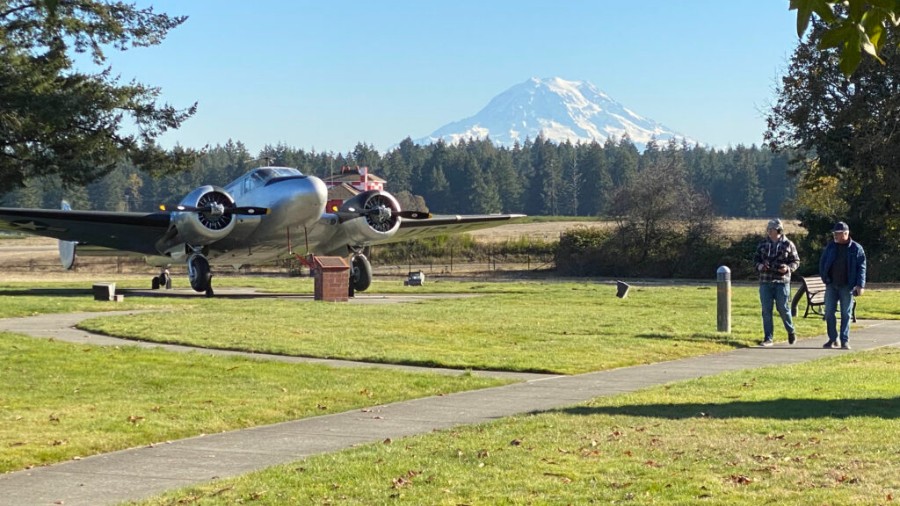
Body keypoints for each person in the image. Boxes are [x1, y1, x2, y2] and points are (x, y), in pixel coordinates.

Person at [819, 221, 867, 350]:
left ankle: (844, 340)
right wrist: (825, 277)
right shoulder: (830, 247)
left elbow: (861, 268)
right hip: (831, 285)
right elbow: (822, 263)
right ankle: (833, 339)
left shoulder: (856, 248)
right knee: (829, 312)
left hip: (848, 286)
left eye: (838, 233)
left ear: (846, 234)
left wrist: (860, 285)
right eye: (834, 233)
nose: (835, 235)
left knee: (846, 314)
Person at [754, 218, 801, 346]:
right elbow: (755, 259)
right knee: (766, 310)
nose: (769, 231)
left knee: (783, 308)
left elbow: (796, 261)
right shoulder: (762, 244)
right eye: (768, 229)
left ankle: (791, 331)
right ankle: (768, 338)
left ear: (778, 230)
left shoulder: (788, 244)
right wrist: (760, 266)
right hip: (765, 281)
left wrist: (787, 268)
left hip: (782, 281)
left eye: (771, 229)